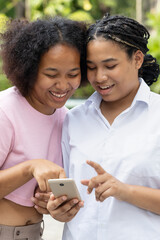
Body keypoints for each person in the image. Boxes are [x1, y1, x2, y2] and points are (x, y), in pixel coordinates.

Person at [47, 13, 160, 240]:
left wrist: (125, 191)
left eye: (110, 65)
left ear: (137, 59)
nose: (99, 77)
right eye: (91, 67)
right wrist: (57, 210)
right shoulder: (73, 119)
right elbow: (65, 195)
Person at [0, 16, 86, 240]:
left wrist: (52, 205)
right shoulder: (5, 110)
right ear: (28, 68)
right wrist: (30, 167)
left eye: (73, 74)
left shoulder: (65, 118)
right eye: (51, 74)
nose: (63, 85)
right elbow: (33, 168)